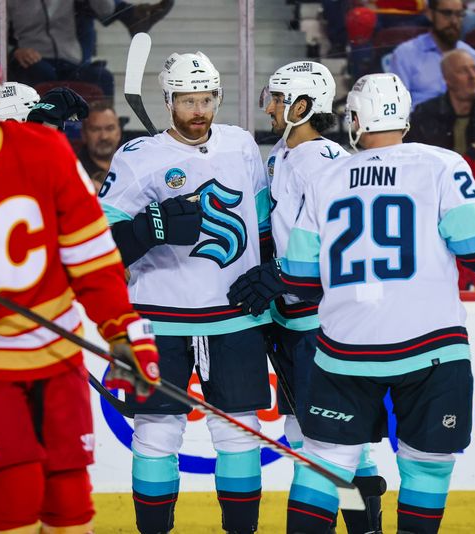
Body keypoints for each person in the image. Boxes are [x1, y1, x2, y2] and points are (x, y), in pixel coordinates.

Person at [0, 35, 160, 534]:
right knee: (12, 498)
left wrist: (122, 332)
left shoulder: (45, 152)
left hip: (55, 355)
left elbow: (92, 257)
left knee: (69, 502)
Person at [266, 72, 475, 533]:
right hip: (430, 347)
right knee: (426, 466)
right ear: (406, 117)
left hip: (343, 349)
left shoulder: (328, 176)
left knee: (324, 463)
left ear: (357, 119)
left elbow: (301, 278)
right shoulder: (442, 164)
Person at [98, 50, 272, 534]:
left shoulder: (240, 145)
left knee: (239, 430)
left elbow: (262, 224)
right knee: (156, 433)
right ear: (169, 100)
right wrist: (149, 228)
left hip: (234, 314)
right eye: (188, 101)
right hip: (158, 317)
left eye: (207, 99)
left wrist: (273, 273)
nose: (199, 110)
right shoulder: (137, 158)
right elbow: (103, 244)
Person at [229, 60, 385, 534]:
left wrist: (278, 275)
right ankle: (365, 525)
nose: (271, 107)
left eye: (277, 99)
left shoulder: (325, 162)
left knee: (333, 437)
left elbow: (337, 246)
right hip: (290, 319)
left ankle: (363, 525)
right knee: (307, 431)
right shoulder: (280, 154)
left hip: (322, 325)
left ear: (301, 106)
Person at [390, 0, 475, 108]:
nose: (454, 21)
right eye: (447, 13)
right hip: (419, 122)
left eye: (459, 14)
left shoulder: (474, 59)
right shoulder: (405, 55)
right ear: (430, 14)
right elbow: (397, 107)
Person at [405, 49, 475, 155]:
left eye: (474, 69)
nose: (472, 76)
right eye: (463, 71)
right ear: (447, 78)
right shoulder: (425, 114)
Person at [78, 99, 122, 190]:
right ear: (84, 134)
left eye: (110, 128)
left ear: (119, 133)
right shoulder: (73, 172)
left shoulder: (133, 165)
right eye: (95, 129)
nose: (104, 137)